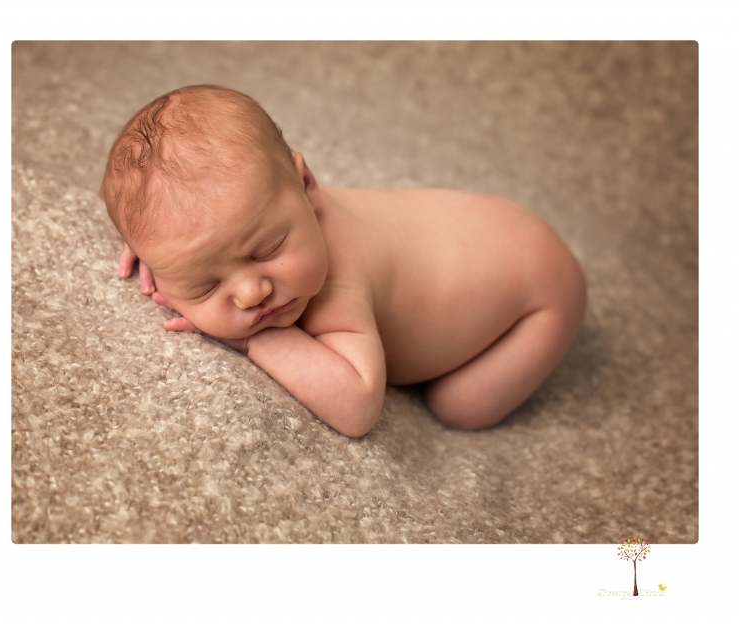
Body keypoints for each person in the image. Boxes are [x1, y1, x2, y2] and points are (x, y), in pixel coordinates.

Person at [101, 85, 587, 438]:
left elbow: (358, 406)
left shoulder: (339, 282)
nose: (252, 293)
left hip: (541, 288)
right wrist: (160, 246)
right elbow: (194, 220)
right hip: (483, 229)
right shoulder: (262, 207)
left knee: (460, 406)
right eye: (205, 284)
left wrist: (256, 344)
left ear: (307, 185)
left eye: (266, 250)